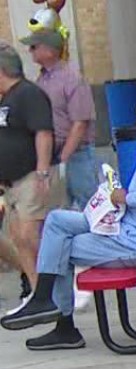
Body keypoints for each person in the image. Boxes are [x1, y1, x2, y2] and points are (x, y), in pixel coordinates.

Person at [2, 103, 136, 349]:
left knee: (61, 246)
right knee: (57, 221)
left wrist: (127, 198)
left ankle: (61, 322)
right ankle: (44, 299)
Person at [0, 44, 55, 310]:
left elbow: (43, 132)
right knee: (18, 238)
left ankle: (50, 291)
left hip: (30, 177)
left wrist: (43, 170)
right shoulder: (6, 99)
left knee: (30, 235)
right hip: (10, 183)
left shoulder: (28, 94)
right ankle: (36, 293)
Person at [24, 28, 91, 209]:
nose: (30, 51)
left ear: (49, 50)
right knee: (61, 209)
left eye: (33, 46)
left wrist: (64, 158)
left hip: (76, 155)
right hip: (53, 155)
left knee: (86, 207)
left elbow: (80, 123)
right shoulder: (43, 79)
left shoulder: (72, 79)